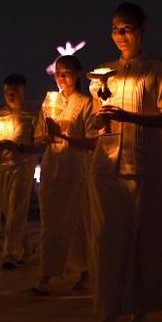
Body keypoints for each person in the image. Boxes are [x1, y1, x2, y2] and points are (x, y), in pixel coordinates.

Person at [85, 2, 162, 322]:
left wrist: (129, 117)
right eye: (115, 29)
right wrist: (100, 119)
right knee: (108, 239)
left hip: (144, 163)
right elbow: (99, 121)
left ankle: (141, 313)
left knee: (145, 239)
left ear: (141, 30)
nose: (120, 35)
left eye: (126, 28)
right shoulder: (101, 74)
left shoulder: (156, 68)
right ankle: (107, 312)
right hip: (108, 165)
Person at [32, 55, 96, 295]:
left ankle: (86, 273)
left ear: (78, 74)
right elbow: (39, 137)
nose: (61, 76)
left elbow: (93, 141)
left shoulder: (87, 104)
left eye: (67, 71)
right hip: (53, 167)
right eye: (58, 72)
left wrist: (65, 135)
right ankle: (46, 273)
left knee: (79, 223)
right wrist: (47, 136)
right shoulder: (50, 102)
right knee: (50, 223)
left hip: (76, 169)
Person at [0, 73, 38, 269]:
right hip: (0, 166)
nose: (10, 95)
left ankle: (11, 253)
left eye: (14, 91)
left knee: (17, 208)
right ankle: (27, 246)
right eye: (7, 92)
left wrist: (20, 148)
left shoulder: (33, 116)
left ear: (23, 91)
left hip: (22, 165)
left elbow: (41, 142)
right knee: (6, 208)